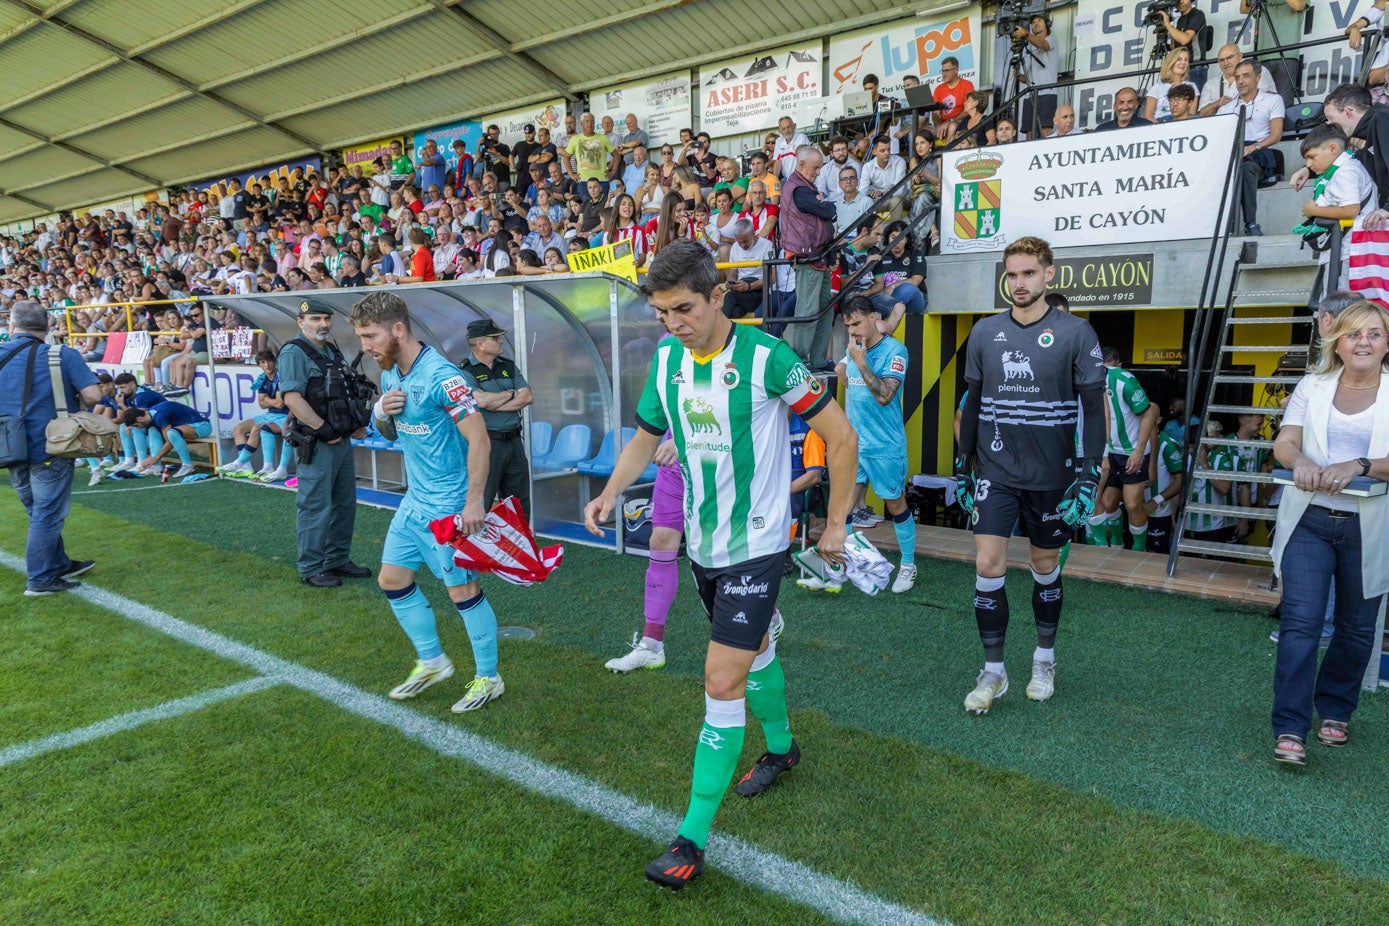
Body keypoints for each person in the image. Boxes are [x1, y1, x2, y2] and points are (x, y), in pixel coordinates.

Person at [582, 239, 857, 889]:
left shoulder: (767, 357)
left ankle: (689, 841)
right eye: (661, 314)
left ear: (716, 297)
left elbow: (840, 437)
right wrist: (611, 490)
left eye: (683, 309)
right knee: (755, 655)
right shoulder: (666, 362)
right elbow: (645, 438)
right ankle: (784, 747)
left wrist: (836, 526)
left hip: (757, 547)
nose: (673, 324)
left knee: (720, 679)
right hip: (703, 547)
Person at [954, 237, 1106, 714]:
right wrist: (963, 463)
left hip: (1052, 475)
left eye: (1028, 274)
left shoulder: (1077, 333)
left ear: (1049, 275)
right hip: (996, 470)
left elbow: (1095, 413)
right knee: (987, 563)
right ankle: (994, 672)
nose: (1019, 283)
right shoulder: (984, 333)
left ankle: (1044, 659)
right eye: (1012, 274)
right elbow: (973, 402)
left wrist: (1088, 475)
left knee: (1044, 565)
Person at [349, 292, 506, 714]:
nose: (365, 346)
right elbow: (393, 434)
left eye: (371, 336)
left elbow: (480, 438)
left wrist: (474, 502)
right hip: (415, 502)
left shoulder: (442, 376)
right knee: (392, 580)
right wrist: (381, 412)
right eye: (362, 337)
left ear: (398, 329)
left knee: (464, 592)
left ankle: (489, 678)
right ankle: (433, 661)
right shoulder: (389, 375)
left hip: (450, 507)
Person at [1269, 299, 1389, 767]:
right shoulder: (1312, 385)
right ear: (1337, 341)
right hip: (1310, 522)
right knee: (1300, 623)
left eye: (1374, 333)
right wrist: (1299, 462)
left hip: (1371, 525)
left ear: (1386, 344)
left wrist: (1358, 465)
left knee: (1357, 629)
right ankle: (1290, 726)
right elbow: (1286, 441)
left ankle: (1336, 711)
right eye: (1354, 333)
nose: (1363, 341)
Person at [1, 301, 102, 597]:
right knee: (46, 512)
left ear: (12, 326)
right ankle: (41, 579)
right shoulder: (62, 354)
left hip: (9, 444)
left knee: (38, 511)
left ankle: (58, 563)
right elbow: (93, 394)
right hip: (51, 444)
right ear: (48, 328)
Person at [277, 299, 372, 588]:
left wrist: (353, 425)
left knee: (344, 504)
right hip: (317, 441)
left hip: (339, 438)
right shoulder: (294, 351)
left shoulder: (329, 349)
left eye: (326, 318)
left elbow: (341, 392)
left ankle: (336, 559)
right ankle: (311, 567)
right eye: (316, 319)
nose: (323, 324)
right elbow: (292, 397)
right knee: (315, 505)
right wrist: (325, 429)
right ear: (301, 322)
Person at [835, 296, 917, 593]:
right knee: (843, 507)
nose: (852, 331)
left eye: (856, 323)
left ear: (873, 318)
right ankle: (843, 564)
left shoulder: (896, 351)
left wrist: (860, 362)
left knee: (895, 505)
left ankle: (908, 565)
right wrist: (845, 367)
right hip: (855, 445)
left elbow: (884, 395)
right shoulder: (852, 349)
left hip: (884, 446)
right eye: (847, 326)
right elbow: (845, 377)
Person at [458, 318, 533, 519]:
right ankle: (476, 549)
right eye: (495, 338)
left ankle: (518, 548)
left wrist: (496, 402)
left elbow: (527, 397)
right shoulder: (464, 371)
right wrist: (511, 393)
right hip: (487, 444)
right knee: (481, 502)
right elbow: (481, 401)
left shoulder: (507, 365)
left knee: (519, 505)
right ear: (481, 344)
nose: (501, 341)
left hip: (514, 442)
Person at [1091, 348, 1158, 550]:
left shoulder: (1123, 380)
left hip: (1130, 451)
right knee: (1105, 501)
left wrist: (1139, 451)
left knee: (1132, 504)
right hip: (1106, 451)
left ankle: (1139, 549)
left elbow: (1148, 415)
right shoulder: (1082, 381)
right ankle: (1115, 545)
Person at [1298, 124, 1375, 293]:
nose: (1309, 164)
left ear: (1332, 148)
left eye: (1312, 157)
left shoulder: (1344, 172)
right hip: (1345, 250)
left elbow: (1350, 209)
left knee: (1342, 305)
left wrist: (1314, 211)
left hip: (1348, 252)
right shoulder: (1345, 167)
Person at [781, 146, 839, 370]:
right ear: (802, 165)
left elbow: (823, 214)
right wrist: (827, 205)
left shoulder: (802, 186)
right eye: (815, 168)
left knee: (824, 308)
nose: (818, 172)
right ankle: (802, 360)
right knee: (807, 310)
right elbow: (826, 212)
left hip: (817, 255)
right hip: (808, 257)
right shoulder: (799, 189)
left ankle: (817, 360)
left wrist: (825, 205)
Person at [1219, 60, 1284, 237]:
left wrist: (1253, 147)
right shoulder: (1226, 108)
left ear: (1258, 77)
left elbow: (1276, 135)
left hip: (1259, 151)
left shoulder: (1272, 99)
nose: (1241, 81)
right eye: (1237, 77)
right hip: (1234, 153)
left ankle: (1250, 223)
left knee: (1246, 168)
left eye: (1246, 76)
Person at [220, 349, 293, 481]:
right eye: (263, 362)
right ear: (259, 364)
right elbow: (261, 404)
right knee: (238, 429)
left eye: (269, 361)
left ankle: (243, 462)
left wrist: (267, 400)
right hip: (270, 415)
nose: (267, 365)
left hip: (284, 416)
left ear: (274, 362)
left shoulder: (281, 376)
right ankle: (245, 466)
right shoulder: (261, 379)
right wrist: (270, 402)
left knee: (258, 428)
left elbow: (280, 404)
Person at [120, 399, 211, 478]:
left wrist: (154, 458)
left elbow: (169, 442)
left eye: (137, 425)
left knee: (172, 433)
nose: (139, 428)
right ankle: (156, 466)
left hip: (202, 426)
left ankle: (187, 465)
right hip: (187, 428)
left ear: (139, 418)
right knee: (153, 430)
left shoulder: (159, 415)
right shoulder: (151, 413)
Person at [1198, 44, 1279, 117]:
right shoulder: (1211, 83)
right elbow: (1202, 113)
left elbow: (1271, 99)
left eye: (1229, 57)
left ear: (1240, 56)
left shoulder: (1257, 71)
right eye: (1222, 60)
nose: (1226, 63)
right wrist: (1217, 104)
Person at [719, 219, 773, 318]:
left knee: (730, 296)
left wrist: (749, 286)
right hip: (741, 289)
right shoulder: (735, 247)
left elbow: (773, 277)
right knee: (735, 313)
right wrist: (730, 282)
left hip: (759, 290)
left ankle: (717, 329)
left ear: (753, 233)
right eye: (739, 242)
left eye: (745, 241)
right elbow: (733, 273)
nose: (742, 245)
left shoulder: (767, 245)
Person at [1144, 47, 1198, 123]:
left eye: (1186, 60)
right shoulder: (1157, 87)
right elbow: (1148, 116)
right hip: (1160, 124)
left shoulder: (1192, 86)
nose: (1183, 63)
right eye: (1179, 59)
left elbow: (1192, 114)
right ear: (1171, 62)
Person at [932, 56, 974, 123]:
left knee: (952, 127)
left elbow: (969, 109)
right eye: (942, 71)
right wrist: (938, 126)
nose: (943, 74)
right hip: (943, 124)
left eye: (946, 71)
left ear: (956, 70)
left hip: (961, 122)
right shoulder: (938, 89)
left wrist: (952, 121)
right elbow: (935, 113)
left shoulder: (967, 85)